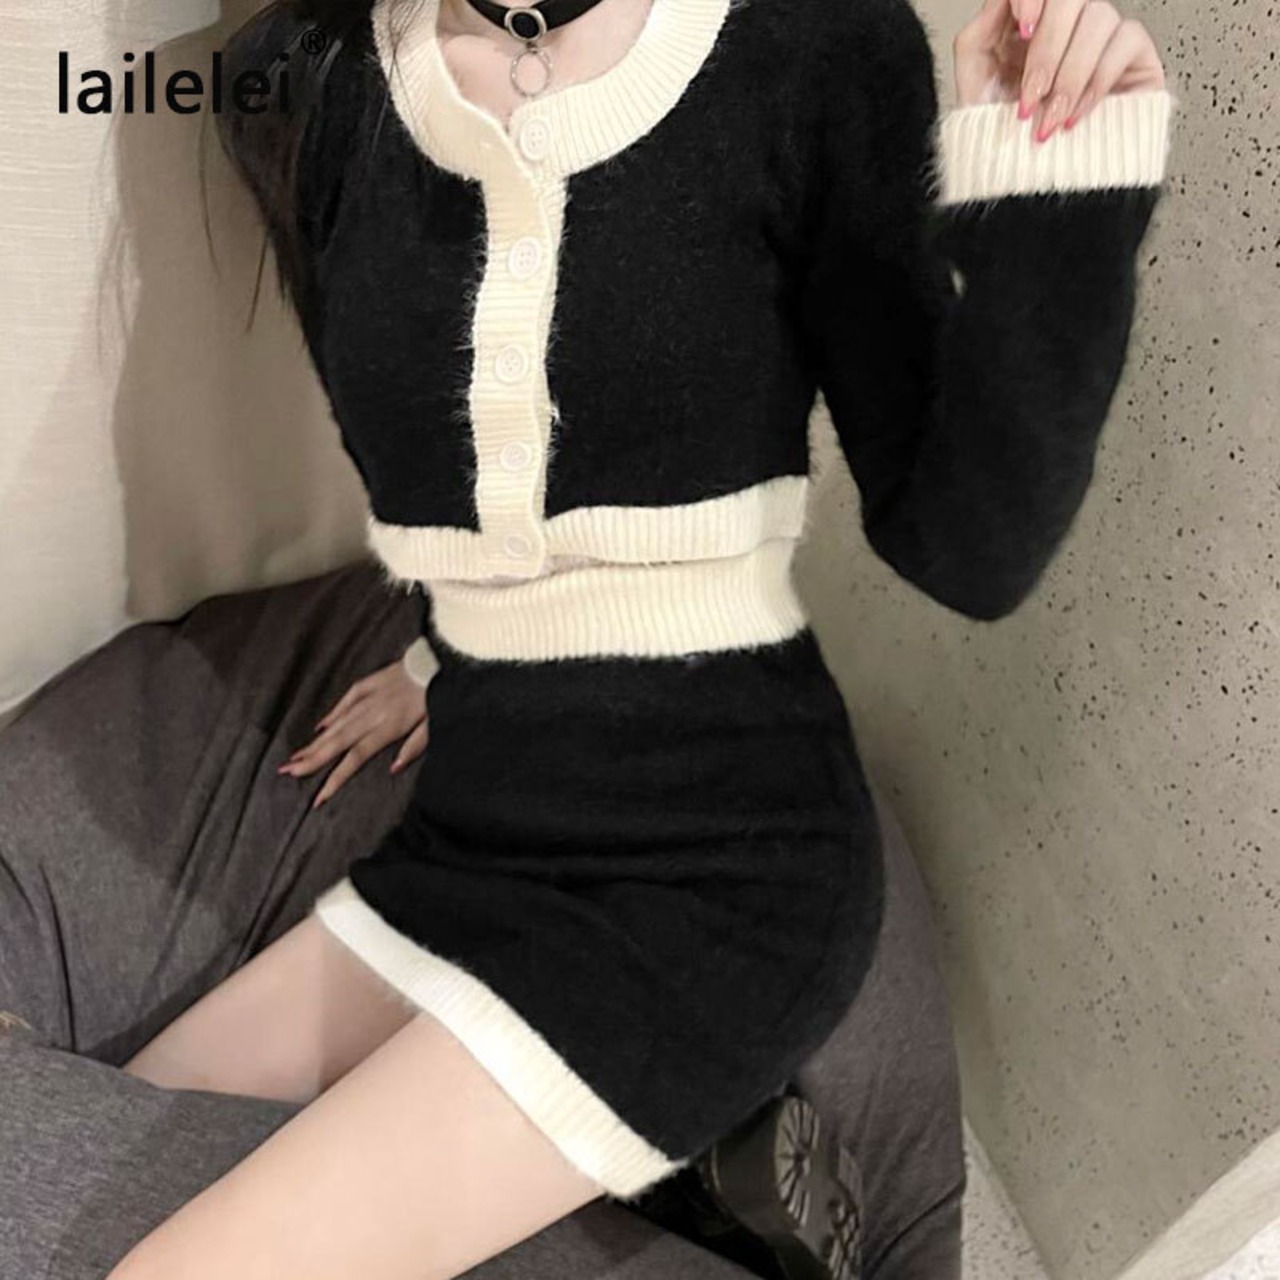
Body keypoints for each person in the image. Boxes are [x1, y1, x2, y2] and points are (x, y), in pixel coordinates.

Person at [79, 0, 1175, 1276]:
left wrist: (1060, 192)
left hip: (724, 876)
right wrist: (446, 660)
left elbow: (965, 550)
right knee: (96, 1131)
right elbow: (447, 481)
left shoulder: (812, 49)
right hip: (473, 843)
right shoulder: (303, 83)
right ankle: (690, 1185)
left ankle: (673, 1141)